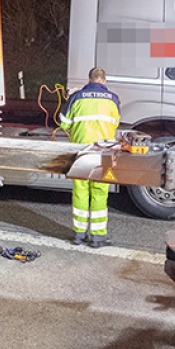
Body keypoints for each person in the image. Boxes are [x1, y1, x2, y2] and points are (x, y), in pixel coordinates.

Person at [59, 67, 121, 247]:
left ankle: (79, 235)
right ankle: (98, 237)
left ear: (89, 79)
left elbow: (63, 122)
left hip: (81, 152)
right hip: (104, 153)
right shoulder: (114, 99)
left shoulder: (77, 97)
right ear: (104, 80)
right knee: (100, 192)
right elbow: (115, 123)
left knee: (80, 191)